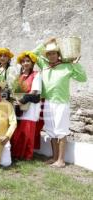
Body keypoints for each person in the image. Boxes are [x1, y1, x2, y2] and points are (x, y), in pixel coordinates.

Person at [33, 38, 87, 167]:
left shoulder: (67, 66)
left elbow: (83, 78)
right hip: (47, 102)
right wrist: (46, 43)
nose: (51, 56)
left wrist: (75, 64)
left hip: (61, 102)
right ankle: (55, 157)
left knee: (61, 130)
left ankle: (61, 160)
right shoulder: (44, 65)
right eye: (49, 53)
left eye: (54, 53)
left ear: (58, 55)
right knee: (51, 130)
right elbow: (33, 54)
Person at [10, 51, 42, 160]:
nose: (25, 63)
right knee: (19, 129)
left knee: (28, 130)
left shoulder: (36, 75)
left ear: (32, 63)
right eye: (23, 61)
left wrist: (22, 100)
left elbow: (34, 91)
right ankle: (17, 153)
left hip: (31, 106)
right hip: (20, 106)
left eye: (27, 61)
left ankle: (27, 154)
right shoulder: (20, 76)